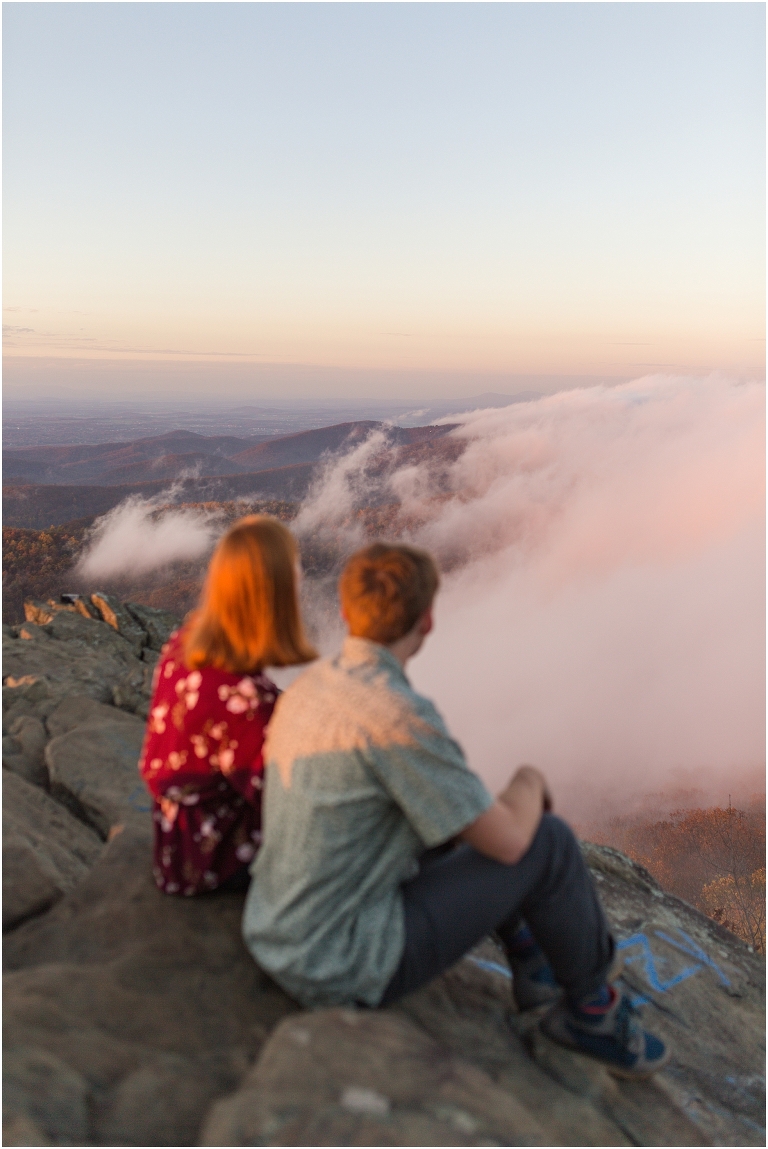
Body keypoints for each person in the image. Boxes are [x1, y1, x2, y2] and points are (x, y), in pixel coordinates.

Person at [242, 541, 670, 1079]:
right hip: (342, 963)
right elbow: (511, 842)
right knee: (548, 841)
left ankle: (534, 963)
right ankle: (593, 1014)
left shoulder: (310, 687)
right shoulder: (397, 716)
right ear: (427, 621)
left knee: (455, 819)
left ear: (347, 612)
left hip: (277, 931)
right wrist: (530, 782)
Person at [138, 515, 316, 896]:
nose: (300, 578)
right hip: (215, 859)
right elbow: (287, 804)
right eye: (293, 570)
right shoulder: (243, 699)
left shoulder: (184, 644)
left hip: (176, 843)